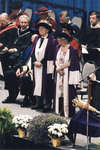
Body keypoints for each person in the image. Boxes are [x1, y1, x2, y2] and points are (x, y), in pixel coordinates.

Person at [2, 15, 33, 104]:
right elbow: (11, 41)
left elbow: (26, 46)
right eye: (21, 22)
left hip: (22, 58)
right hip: (11, 56)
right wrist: (8, 48)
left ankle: (27, 97)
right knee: (7, 74)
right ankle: (12, 95)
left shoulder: (30, 33)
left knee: (21, 76)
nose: (23, 24)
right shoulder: (16, 31)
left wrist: (15, 50)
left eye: (25, 22)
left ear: (28, 23)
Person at [31, 20, 57, 112]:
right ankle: (39, 103)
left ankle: (47, 104)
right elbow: (33, 51)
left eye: (43, 28)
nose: (40, 30)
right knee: (37, 83)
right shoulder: (37, 39)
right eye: (39, 28)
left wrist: (41, 62)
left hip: (46, 66)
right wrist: (34, 61)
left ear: (47, 30)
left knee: (46, 84)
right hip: (36, 65)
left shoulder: (52, 41)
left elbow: (51, 55)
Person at [55, 33, 80, 118]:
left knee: (69, 93)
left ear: (64, 40)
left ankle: (70, 112)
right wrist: (58, 69)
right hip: (60, 74)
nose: (58, 41)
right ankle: (61, 111)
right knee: (60, 93)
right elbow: (56, 60)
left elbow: (71, 62)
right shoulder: (58, 48)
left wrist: (61, 67)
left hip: (69, 74)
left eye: (60, 39)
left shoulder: (72, 49)